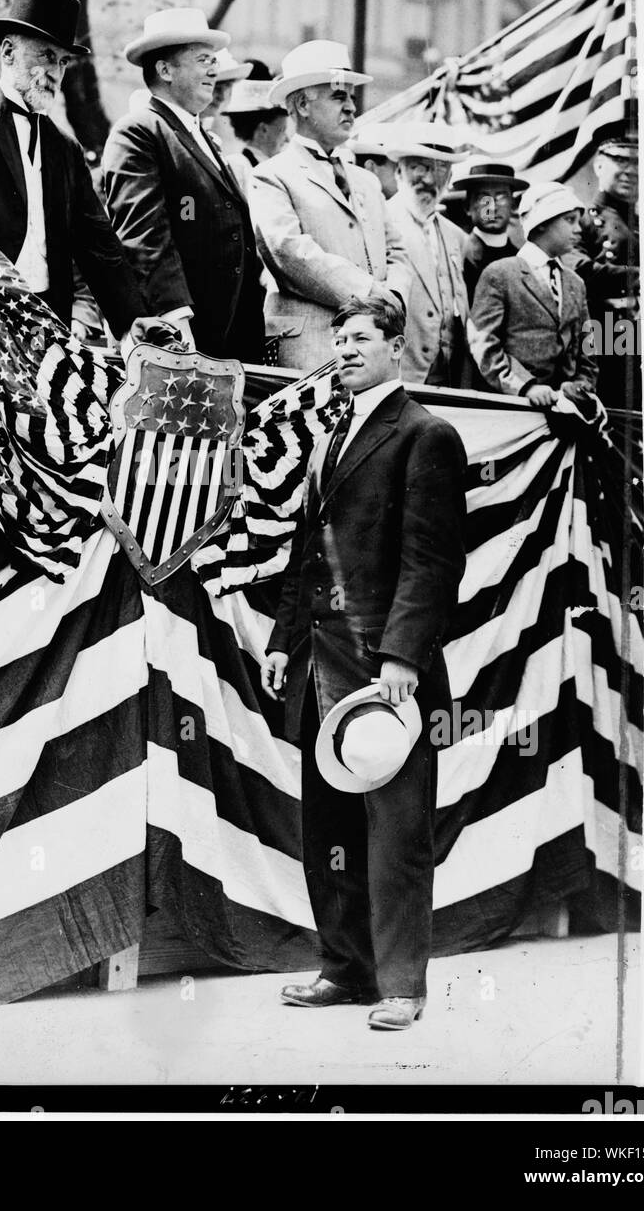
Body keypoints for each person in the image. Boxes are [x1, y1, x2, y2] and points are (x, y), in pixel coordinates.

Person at [261, 290, 467, 1029]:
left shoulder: (425, 435)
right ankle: (344, 970)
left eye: (359, 340)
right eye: (337, 340)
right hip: (320, 666)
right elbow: (302, 558)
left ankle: (401, 986)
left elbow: (431, 561)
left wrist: (403, 657)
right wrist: (283, 642)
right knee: (330, 830)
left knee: (395, 833)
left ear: (394, 348)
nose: (343, 351)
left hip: (385, 672)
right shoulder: (325, 441)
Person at [0, 0, 158, 348]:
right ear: (8, 51)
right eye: (46, 55)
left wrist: (131, 319)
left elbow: (98, 242)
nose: (56, 71)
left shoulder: (65, 147)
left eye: (63, 61)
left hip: (48, 320)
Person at [101, 7, 266, 362]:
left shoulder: (197, 133)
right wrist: (176, 321)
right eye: (203, 59)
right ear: (165, 70)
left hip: (227, 335)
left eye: (213, 60)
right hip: (183, 337)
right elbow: (145, 236)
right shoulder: (139, 131)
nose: (214, 69)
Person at [249, 41, 411, 372]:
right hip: (311, 354)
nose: (352, 107)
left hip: (375, 354)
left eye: (352, 97)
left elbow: (397, 251)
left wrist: (395, 295)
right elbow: (289, 253)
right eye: (339, 96)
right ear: (302, 105)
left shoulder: (366, 182)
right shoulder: (271, 176)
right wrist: (371, 294)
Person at [469, 182, 598, 406]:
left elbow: (587, 346)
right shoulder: (500, 274)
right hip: (514, 408)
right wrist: (525, 386)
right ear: (541, 224)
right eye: (569, 220)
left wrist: (580, 385)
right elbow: (484, 344)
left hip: (567, 410)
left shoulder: (575, 283)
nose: (578, 229)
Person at [384, 124, 472, 385]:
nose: (430, 179)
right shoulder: (380, 224)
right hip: (401, 375)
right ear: (398, 171)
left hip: (451, 376)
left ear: (450, 176)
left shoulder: (457, 237)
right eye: (419, 167)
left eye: (439, 169)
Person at [571, 135, 640, 409]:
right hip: (605, 337)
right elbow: (578, 271)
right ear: (599, 166)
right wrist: (638, 275)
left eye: (637, 162)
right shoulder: (585, 220)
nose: (631, 170)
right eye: (621, 161)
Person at [452, 157, 528, 303]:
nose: (492, 208)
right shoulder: (459, 256)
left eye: (501, 197)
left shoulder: (522, 259)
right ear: (467, 206)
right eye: (484, 198)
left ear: (513, 205)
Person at [226, 73, 289, 171]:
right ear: (264, 129)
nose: (287, 139)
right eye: (282, 130)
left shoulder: (270, 166)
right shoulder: (238, 166)